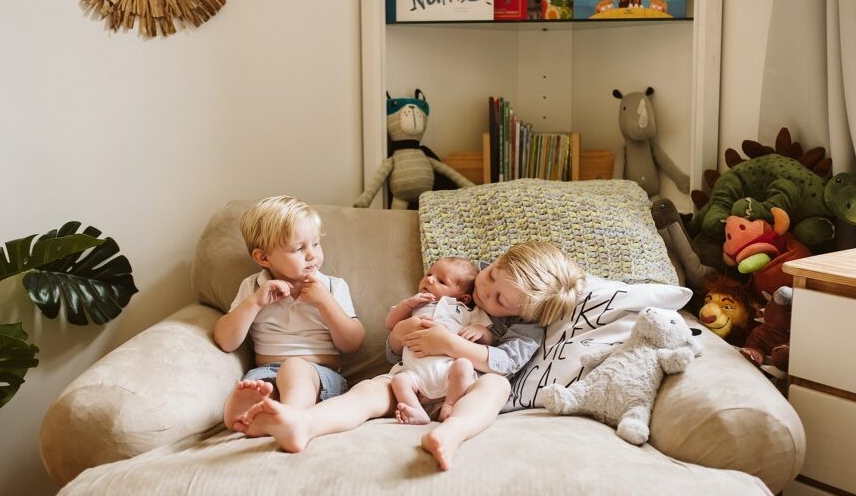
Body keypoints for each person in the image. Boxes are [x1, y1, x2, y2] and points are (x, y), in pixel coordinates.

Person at [237, 241, 585, 469]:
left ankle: (453, 431)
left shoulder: (528, 321)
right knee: (370, 389)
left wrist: (451, 345)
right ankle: (304, 424)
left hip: (462, 385)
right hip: (411, 380)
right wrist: (399, 336)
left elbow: (507, 363)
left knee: (497, 387)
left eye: (499, 300)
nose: (484, 290)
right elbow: (394, 350)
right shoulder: (462, 276)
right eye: (492, 275)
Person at [215, 195, 365, 436]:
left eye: (315, 244)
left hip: (320, 375)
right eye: (299, 249)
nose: (312, 255)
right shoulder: (253, 288)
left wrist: (325, 303)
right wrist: (255, 302)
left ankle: (288, 415)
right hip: (266, 373)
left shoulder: (332, 287)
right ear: (263, 258)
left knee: (294, 368)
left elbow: (353, 343)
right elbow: (225, 340)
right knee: (263, 389)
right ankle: (257, 415)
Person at [386, 257, 495, 426]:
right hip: (415, 374)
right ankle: (416, 411)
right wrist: (407, 304)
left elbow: (489, 337)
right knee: (398, 380)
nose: (429, 279)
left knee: (464, 365)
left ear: (464, 298)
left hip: (448, 371)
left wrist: (480, 331)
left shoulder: (465, 310)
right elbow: (391, 324)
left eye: (441, 281)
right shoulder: (415, 304)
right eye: (429, 274)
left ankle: (450, 405)